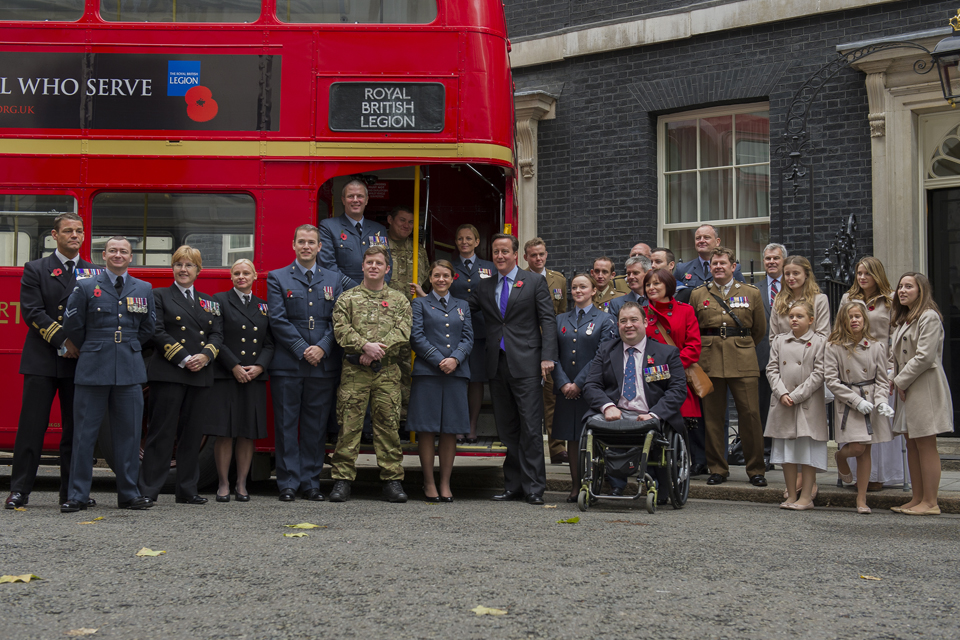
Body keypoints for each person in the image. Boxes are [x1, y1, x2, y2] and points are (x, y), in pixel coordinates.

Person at [5, 213, 96, 510]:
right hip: (42, 359)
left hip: (77, 362)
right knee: (32, 427)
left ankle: (71, 492)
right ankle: (20, 490)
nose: (75, 236)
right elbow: (32, 312)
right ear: (54, 236)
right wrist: (63, 341)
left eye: (79, 231)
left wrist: (79, 345)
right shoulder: (36, 269)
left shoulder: (93, 272)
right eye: (68, 231)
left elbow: (97, 315)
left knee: (75, 430)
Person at [60, 236, 155, 512]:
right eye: (113, 250)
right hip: (93, 367)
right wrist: (94, 345)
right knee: (84, 435)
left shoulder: (144, 288)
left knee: (129, 434)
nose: (118, 255)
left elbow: (148, 327)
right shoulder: (86, 286)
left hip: (129, 368)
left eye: (123, 251)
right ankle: (77, 495)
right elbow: (73, 324)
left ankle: (128, 493)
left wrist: (127, 343)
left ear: (130, 257)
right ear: (104, 255)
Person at [469, 233, 557, 505]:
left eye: (505, 251)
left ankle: (534, 488)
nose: (500, 256)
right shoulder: (484, 287)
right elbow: (463, 309)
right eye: (496, 251)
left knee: (530, 427)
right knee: (507, 429)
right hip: (497, 364)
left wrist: (547, 357)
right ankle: (514, 485)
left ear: (515, 254)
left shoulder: (533, 282)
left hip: (528, 363)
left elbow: (548, 320)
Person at [139, 246, 223, 505]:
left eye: (189, 265)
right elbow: (156, 330)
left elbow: (217, 334)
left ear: (198, 271)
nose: (183, 269)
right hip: (170, 373)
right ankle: (148, 490)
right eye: (179, 265)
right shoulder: (158, 296)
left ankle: (187, 489)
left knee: (192, 434)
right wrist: (185, 358)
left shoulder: (209, 302)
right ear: (172, 269)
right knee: (161, 433)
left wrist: (206, 355)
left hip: (200, 374)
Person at [329, 245, 412, 503]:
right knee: (349, 427)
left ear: (387, 269)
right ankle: (342, 480)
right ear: (363, 266)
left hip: (387, 372)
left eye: (379, 263)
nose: (374, 266)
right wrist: (365, 346)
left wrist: (376, 351)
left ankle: (392, 481)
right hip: (355, 371)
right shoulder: (347, 299)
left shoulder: (399, 300)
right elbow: (340, 330)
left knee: (388, 426)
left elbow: (403, 332)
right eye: (370, 263)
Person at [267, 224, 343, 502]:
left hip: (322, 364)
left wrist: (322, 348)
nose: (307, 246)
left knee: (315, 426)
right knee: (287, 425)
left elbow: (340, 318)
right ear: (294, 245)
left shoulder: (334, 278)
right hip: (288, 363)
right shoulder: (277, 277)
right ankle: (287, 482)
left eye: (312, 242)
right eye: (302, 242)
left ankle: (311, 482)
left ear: (320, 247)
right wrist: (302, 349)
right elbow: (277, 319)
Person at [689, 247, 767, 487]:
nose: (718, 267)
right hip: (710, 360)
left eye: (723, 263)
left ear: (734, 266)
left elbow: (759, 330)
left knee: (751, 415)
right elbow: (694, 328)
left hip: (742, 359)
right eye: (714, 264)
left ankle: (755, 469)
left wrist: (740, 346)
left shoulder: (751, 293)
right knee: (713, 418)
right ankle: (718, 468)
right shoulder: (698, 294)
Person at [580, 301, 687, 474]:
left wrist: (654, 414)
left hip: (650, 415)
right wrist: (608, 407)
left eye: (633, 320)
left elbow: (677, 390)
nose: (628, 325)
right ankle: (614, 484)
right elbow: (591, 385)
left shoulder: (667, 353)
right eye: (623, 321)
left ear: (645, 323)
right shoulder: (605, 350)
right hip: (615, 414)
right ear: (618, 325)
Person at [207, 259, 275, 503]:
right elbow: (216, 337)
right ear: (231, 277)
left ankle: (242, 484)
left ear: (255, 276)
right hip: (226, 375)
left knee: (247, 432)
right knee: (224, 432)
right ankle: (223, 484)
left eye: (246, 273)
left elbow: (269, 342)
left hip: (254, 377)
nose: (241, 277)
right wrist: (233, 365)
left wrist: (259, 367)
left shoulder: (264, 306)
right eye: (236, 273)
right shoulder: (219, 301)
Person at [408, 260, 473, 502]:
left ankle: (445, 483)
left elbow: (468, 338)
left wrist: (455, 359)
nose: (441, 279)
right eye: (437, 275)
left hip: (456, 373)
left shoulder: (462, 305)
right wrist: (439, 360)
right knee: (427, 429)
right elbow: (416, 336)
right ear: (430, 278)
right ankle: (428, 483)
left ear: (452, 278)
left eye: (446, 275)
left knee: (450, 430)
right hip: (428, 374)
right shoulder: (419, 303)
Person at [890, 273, 954, 516]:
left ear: (921, 290)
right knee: (912, 443)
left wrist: (900, 381)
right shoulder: (904, 319)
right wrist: (894, 381)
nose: (902, 291)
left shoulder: (929, 317)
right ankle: (918, 497)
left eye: (909, 286)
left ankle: (931, 502)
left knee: (926, 444)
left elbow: (925, 357)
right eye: (900, 287)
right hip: (906, 388)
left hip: (924, 386)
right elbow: (895, 356)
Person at [551, 273, 616, 501]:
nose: (578, 291)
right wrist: (562, 383)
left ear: (593, 291)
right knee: (572, 438)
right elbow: (553, 353)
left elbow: (602, 354)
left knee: (594, 437)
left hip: (592, 388)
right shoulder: (560, 319)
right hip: (565, 389)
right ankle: (576, 486)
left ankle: (596, 483)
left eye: (583, 287)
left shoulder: (605, 320)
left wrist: (578, 383)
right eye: (574, 287)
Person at [825, 301, 894, 514]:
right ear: (843, 320)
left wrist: (881, 401)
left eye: (858, 316)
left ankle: (862, 498)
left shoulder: (876, 346)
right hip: (849, 402)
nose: (854, 320)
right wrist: (856, 401)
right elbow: (831, 380)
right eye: (850, 316)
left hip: (871, 401)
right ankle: (840, 457)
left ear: (864, 320)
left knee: (866, 450)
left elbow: (882, 379)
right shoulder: (833, 346)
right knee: (857, 447)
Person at [841, 256, 902, 491]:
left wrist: (893, 370)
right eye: (859, 273)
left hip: (882, 364)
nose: (863, 277)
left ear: (877, 275)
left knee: (878, 421)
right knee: (857, 420)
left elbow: (894, 334)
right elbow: (842, 329)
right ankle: (856, 475)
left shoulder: (891, 299)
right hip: (854, 366)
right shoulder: (848, 298)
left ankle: (879, 475)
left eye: (867, 273)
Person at [764, 301, 827, 510]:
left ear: (811, 320)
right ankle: (791, 494)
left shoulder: (819, 342)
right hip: (783, 402)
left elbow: (819, 373)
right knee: (787, 453)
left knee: (807, 451)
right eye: (791, 316)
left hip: (807, 402)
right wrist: (781, 392)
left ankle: (806, 496)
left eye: (799, 316)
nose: (794, 319)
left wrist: (797, 395)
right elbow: (771, 369)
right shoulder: (780, 341)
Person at [642, 268, 705, 473]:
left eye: (656, 283)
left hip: (677, 376)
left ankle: (682, 467)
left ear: (668, 286)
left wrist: (672, 367)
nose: (652, 287)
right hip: (650, 378)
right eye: (648, 284)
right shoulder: (641, 312)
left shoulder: (685, 310)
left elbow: (693, 346)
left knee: (679, 426)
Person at [448, 224, 495, 443]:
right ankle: (458, 425)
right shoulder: (449, 266)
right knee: (458, 379)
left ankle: (472, 426)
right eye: (460, 238)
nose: (464, 242)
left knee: (476, 379)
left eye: (469, 238)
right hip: (454, 329)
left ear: (477, 242)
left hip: (480, 330)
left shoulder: (490, 267)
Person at [523, 237, 568, 464]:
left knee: (552, 397)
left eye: (541, 254)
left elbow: (562, 314)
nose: (538, 258)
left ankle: (557, 449)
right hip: (527, 345)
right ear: (526, 258)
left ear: (546, 254)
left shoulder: (558, 279)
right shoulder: (519, 279)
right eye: (533, 255)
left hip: (551, 346)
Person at [385, 206, 428, 426]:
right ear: (390, 219)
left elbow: (426, 280)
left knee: (411, 370)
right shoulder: (380, 247)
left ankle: (409, 422)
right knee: (390, 371)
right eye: (402, 220)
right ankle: (392, 422)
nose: (406, 226)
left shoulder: (418, 250)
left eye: (411, 222)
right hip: (386, 320)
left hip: (414, 319)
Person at [318, 179, 391, 289]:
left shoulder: (379, 229)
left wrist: (377, 289)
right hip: (342, 295)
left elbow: (387, 263)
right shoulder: (328, 226)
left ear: (366, 200)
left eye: (360, 196)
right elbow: (327, 264)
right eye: (350, 196)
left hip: (374, 295)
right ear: (343, 200)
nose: (355, 200)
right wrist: (356, 289)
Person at [758, 243, 787, 435]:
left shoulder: (793, 285)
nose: (772, 262)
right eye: (768, 258)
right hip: (761, 357)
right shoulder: (754, 289)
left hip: (789, 356)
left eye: (776, 258)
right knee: (763, 408)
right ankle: (766, 451)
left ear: (784, 260)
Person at [768, 255, 830, 339]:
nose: (791, 278)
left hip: (811, 350)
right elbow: (773, 337)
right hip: (785, 350)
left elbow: (823, 335)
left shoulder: (820, 300)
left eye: (796, 273)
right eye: (787, 274)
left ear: (806, 275)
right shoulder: (779, 300)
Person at [673, 224, 744, 290]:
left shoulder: (732, 269)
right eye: (698, 238)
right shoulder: (682, 269)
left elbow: (742, 292)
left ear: (717, 242)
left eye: (706, 237)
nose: (701, 241)